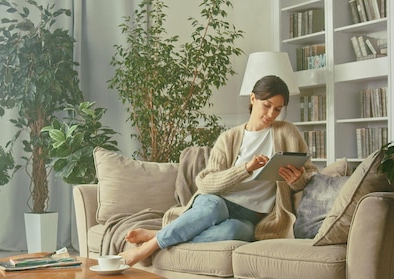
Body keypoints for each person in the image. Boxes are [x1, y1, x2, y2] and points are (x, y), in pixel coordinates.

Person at [120, 75, 317, 266]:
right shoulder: (229, 138)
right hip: (219, 201)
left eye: (278, 109)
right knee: (212, 208)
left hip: (251, 216)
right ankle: (147, 248)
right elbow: (205, 182)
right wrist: (245, 169)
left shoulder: (287, 132)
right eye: (267, 106)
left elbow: (309, 174)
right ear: (253, 99)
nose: (271, 114)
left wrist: (295, 180)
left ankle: (161, 234)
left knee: (231, 233)